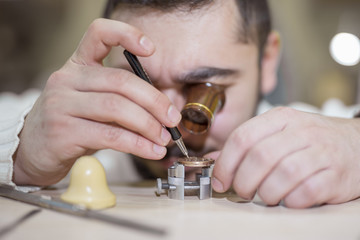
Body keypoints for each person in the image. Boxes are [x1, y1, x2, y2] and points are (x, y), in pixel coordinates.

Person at [1, 0, 360, 208]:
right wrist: (21, 155)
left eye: (204, 90)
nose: (169, 121)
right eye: (138, 83)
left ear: (267, 63)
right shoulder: (57, 126)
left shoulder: (317, 134)